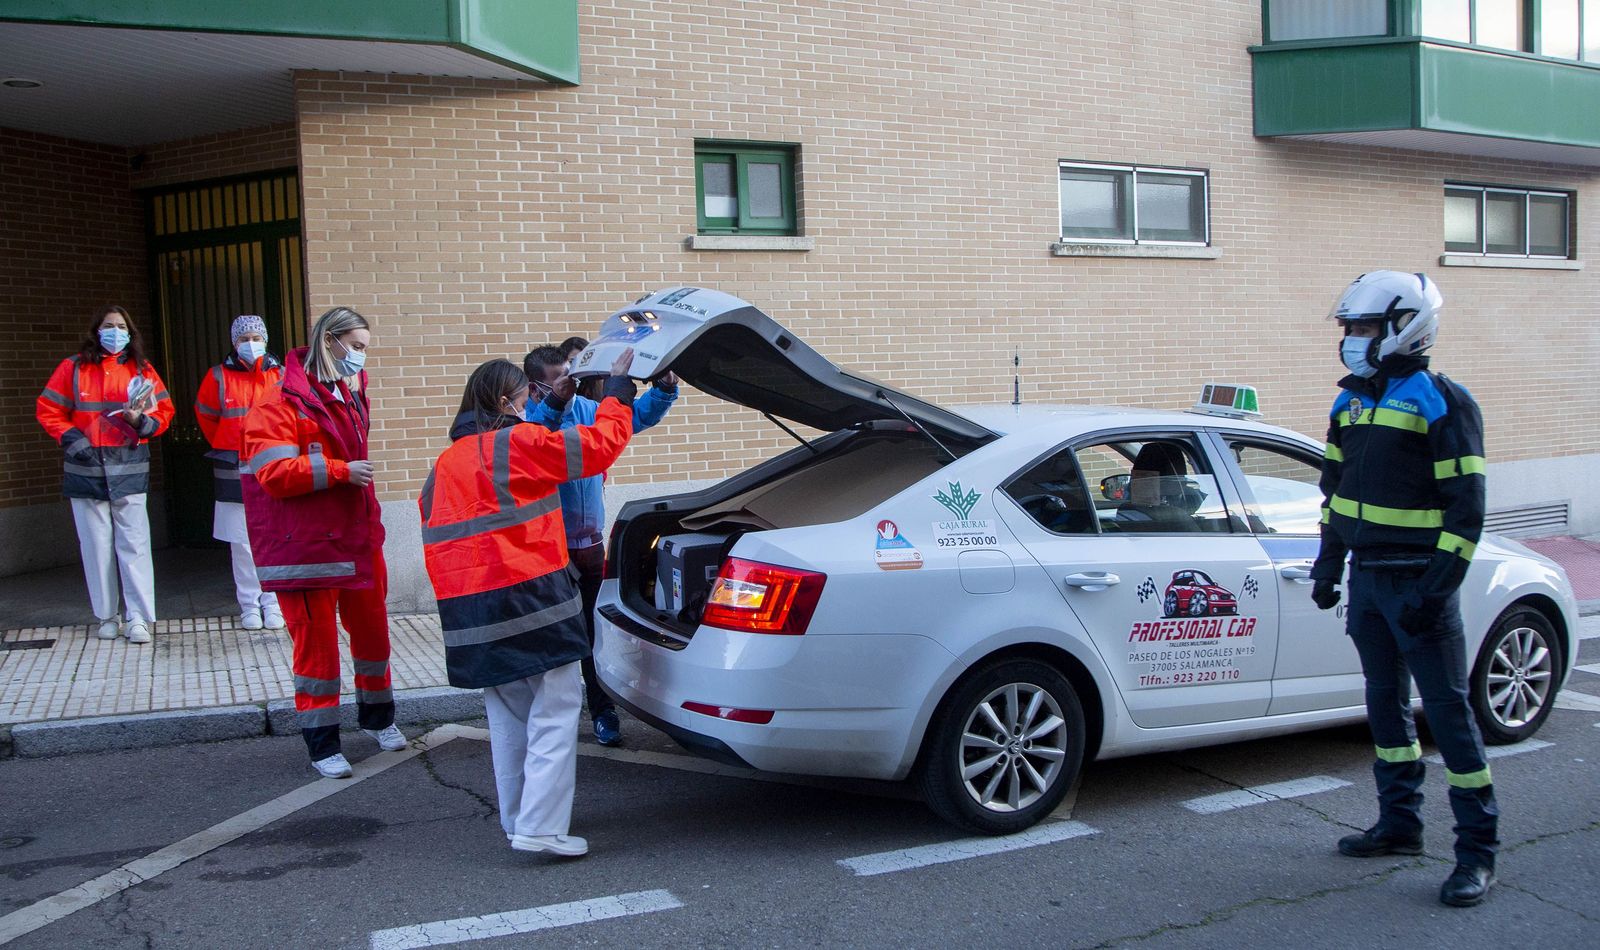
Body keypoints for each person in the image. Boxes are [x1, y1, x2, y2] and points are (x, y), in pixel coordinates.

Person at [1309, 271, 1496, 907]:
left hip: (1418, 586)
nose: (1352, 342)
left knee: (1450, 717)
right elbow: (1334, 496)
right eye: (1349, 330)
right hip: (1367, 582)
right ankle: (1400, 825)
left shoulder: (1443, 402)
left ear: (1402, 328)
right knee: (1386, 710)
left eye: (1361, 329)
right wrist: (1328, 566)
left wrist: (1435, 591)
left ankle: (1476, 853)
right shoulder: (1349, 402)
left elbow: (1466, 509)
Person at [420, 352, 637, 857]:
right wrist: (618, 393)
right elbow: (599, 447)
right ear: (504, 403)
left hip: (470, 612)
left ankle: (520, 819)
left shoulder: (445, 465)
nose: (529, 407)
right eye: (525, 399)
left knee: (508, 718)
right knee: (557, 708)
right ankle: (541, 828)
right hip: (531, 598)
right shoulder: (514, 443)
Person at [240, 306, 406, 779]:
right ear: (328, 341)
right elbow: (273, 474)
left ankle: (379, 720)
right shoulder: (277, 403)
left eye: (364, 349)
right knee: (317, 652)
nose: (360, 358)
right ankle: (322, 743)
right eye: (355, 347)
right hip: (307, 547)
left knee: (373, 637)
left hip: (355, 538)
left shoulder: (347, 391)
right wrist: (338, 471)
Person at [522, 344, 679, 746]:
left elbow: (633, 417)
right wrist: (557, 401)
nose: (569, 385)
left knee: (594, 637)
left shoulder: (588, 413)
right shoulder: (528, 423)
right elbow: (540, 432)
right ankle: (549, 719)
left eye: (571, 377)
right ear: (536, 386)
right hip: (548, 552)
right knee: (556, 639)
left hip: (590, 546)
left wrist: (662, 388)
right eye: (559, 380)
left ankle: (603, 713)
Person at [35, 305, 175, 644]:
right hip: (86, 467)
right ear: (97, 330)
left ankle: (139, 616)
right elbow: (48, 409)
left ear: (131, 333)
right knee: (96, 546)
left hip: (128, 466)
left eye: (122, 326)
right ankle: (106, 616)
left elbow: (165, 414)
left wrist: (138, 421)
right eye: (109, 326)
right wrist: (75, 442)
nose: (116, 332)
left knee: (135, 544)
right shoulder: (73, 368)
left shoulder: (141, 370)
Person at [196, 315, 286, 631]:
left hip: (272, 463)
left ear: (265, 339)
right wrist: (226, 443)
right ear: (234, 343)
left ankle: (273, 603)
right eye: (243, 338)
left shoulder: (281, 374)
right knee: (241, 541)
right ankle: (249, 604)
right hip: (232, 465)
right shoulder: (218, 377)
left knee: (274, 538)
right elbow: (206, 416)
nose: (250, 343)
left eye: (255, 337)